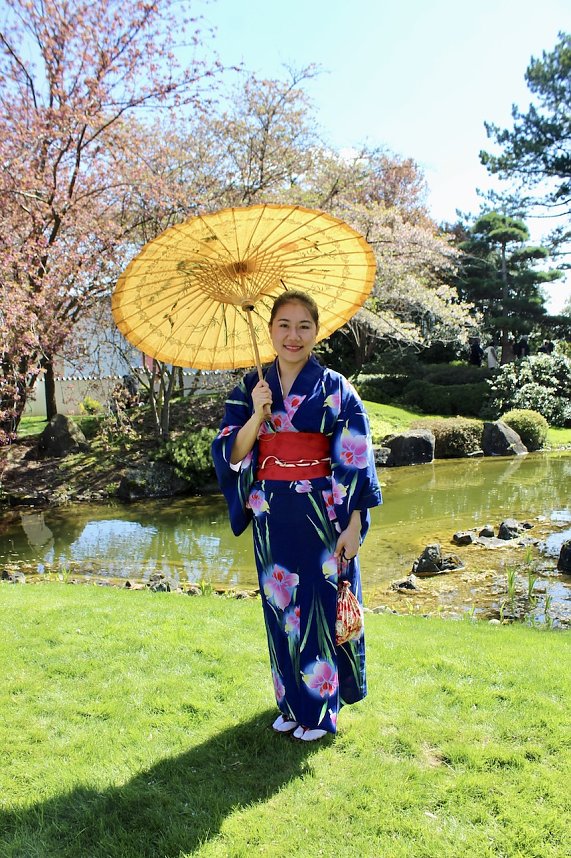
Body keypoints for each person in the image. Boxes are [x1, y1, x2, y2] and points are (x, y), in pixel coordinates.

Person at [211, 290, 382, 742]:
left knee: (320, 610)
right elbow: (231, 453)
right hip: (272, 516)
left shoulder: (336, 388)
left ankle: (321, 711)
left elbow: (356, 457)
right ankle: (290, 703)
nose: (293, 335)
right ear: (270, 330)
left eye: (304, 325)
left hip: (323, 514)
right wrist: (256, 415)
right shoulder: (250, 388)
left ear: (316, 331)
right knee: (281, 609)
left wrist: (353, 525)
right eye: (284, 324)